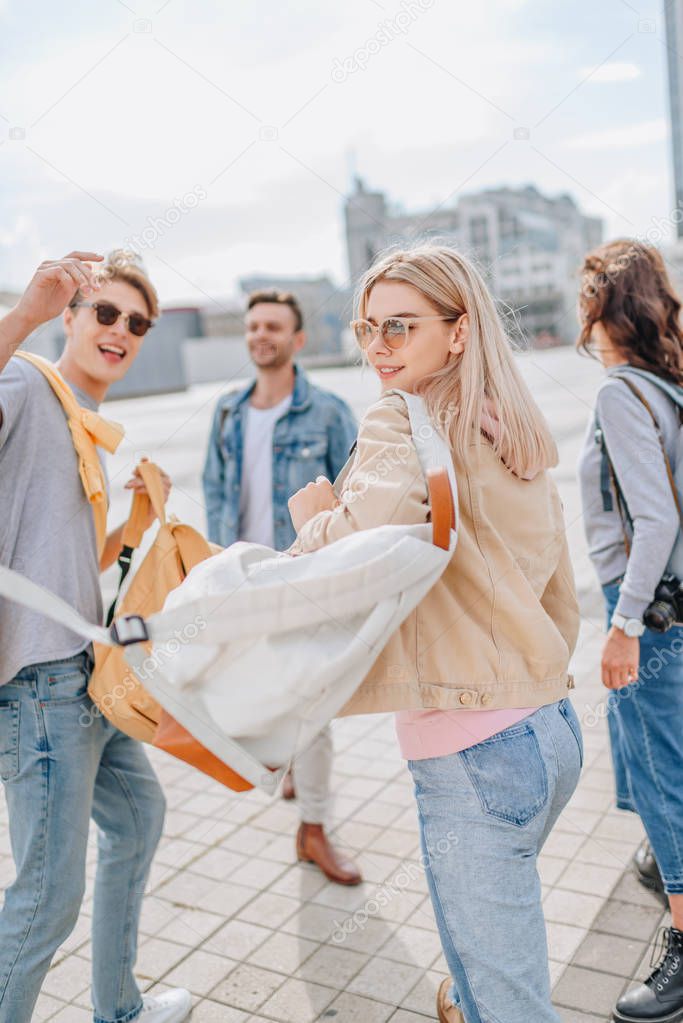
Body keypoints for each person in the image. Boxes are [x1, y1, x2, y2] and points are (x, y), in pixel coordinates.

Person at [287, 244, 582, 1023]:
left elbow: (353, 550)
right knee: (488, 954)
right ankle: (464, 993)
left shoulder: (402, 416)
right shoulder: (512, 427)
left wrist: (313, 516)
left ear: (456, 332)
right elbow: (556, 587)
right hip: (550, 730)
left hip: (469, 752)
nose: (377, 347)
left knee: (510, 1001)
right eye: (365, 329)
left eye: (399, 327)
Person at [0, 251, 191, 1023]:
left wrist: (133, 526)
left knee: (139, 819)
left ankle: (120, 1008)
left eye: (136, 322)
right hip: (40, 684)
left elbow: (65, 564)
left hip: (87, 673)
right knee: (47, 898)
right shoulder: (23, 384)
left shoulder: (80, 419)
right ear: (71, 317)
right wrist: (24, 314)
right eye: (105, 312)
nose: (121, 330)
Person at [202, 289, 363, 885]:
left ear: (298, 340)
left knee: (315, 706)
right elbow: (217, 493)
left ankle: (314, 830)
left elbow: (355, 492)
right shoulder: (226, 410)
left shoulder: (328, 412)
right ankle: (290, 764)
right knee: (264, 693)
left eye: (273, 326)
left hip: (302, 576)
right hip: (244, 577)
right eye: (252, 327)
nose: (260, 335)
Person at [577, 238, 683, 1023]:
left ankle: (682, 947)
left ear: (602, 305)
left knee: (661, 776)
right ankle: (663, 863)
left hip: (648, 611)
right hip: (673, 605)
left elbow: (654, 521)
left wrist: (621, 626)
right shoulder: (667, 385)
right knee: (663, 767)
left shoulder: (621, 392)